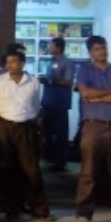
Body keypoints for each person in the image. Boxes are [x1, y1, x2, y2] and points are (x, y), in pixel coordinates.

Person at [0, 51, 54, 222]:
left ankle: (40, 209)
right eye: (9, 61)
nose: (13, 65)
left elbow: (35, 106)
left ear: (23, 63)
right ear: (5, 65)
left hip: (26, 127)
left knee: (31, 169)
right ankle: (10, 209)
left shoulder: (33, 82)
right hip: (4, 126)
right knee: (6, 169)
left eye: (16, 61)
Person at [74, 36, 111, 222]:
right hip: (92, 126)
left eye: (103, 48)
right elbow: (85, 93)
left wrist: (99, 97)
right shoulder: (84, 70)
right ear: (90, 52)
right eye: (97, 49)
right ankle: (84, 213)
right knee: (88, 172)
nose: (101, 52)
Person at [40, 37, 76, 171]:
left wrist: (50, 81)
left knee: (60, 134)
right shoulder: (50, 62)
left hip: (60, 104)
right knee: (47, 132)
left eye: (51, 45)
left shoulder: (67, 63)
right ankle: (50, 159)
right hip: (48, 103)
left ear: (58, 48)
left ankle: (60, 162)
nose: (49, 48)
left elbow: (68, 82)